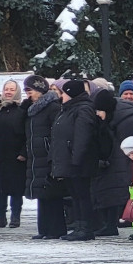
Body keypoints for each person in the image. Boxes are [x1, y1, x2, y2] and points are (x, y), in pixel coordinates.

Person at [92, 89, 133, 236]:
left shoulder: (126, 121)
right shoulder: (113, 118)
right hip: (119, 160)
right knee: (111, 191)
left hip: (132, 161)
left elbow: (128, 144)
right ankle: (111, 225)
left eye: (99, 110)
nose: (97, 114)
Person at [51, 79, 98, 241]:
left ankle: (85, 228)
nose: (61, 95)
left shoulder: (83, 109)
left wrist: (76, 159)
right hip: (69, 160)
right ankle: (79, 226)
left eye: (63, 92)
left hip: (79, 162)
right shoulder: (67, 109)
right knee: (75, 194)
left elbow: (82, 136)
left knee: (82, 194)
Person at [24, 75, 67, 240]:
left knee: (51, 193)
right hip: (36, 155)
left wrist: (50, 152)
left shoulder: (52, 107)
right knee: (41, 193)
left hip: (47, 155)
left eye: (31, 90)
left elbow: (55, 133)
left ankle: (55, 229)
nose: (29, 94)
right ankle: (44, 228)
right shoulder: (31, 109)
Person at [0, 78, 27, 228]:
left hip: (15, 156)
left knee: (16, 189)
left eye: (12, 89)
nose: (8, 92)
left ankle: (15, 216)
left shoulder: (22, 111)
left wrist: (23, 152)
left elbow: (26, 134)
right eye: (6, 89)